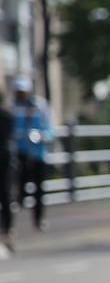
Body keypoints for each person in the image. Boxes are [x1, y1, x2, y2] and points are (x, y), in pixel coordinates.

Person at [11, 77, 54, 232]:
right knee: (18, 186)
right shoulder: (13, 108)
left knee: (38, 189)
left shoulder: (40, 106)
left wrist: (41, 136)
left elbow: (50, 130)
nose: (21, 95)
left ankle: (39, 219)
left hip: (38, 154)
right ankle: (12, 221)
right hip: (20, 154)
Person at [0, 89, 13, 247]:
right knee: (5, 192)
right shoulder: (8, 115)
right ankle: (7, 225)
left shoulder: (7, 116)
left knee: (4, 192)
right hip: (5, 156)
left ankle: (7, 225)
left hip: (3, 157)